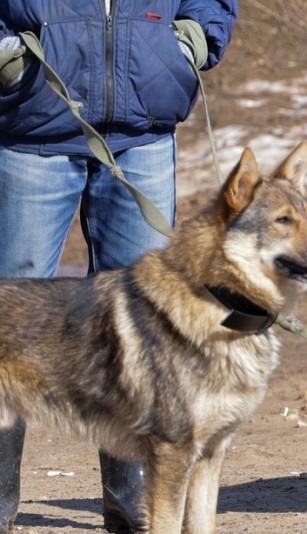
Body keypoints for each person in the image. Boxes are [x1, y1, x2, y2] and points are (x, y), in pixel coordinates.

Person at [0, 1, 238, 531]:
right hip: (31, 126)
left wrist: (190, 43)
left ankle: (132, 506)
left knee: (149, 327)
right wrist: (8, 55)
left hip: (144, 132)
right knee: (5, 322)